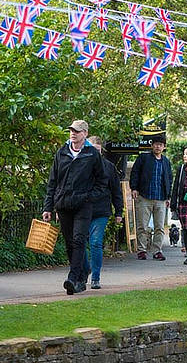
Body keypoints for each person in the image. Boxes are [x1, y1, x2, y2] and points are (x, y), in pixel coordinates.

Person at [42, 120, 107, 295]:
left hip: (83, 205)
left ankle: (72, 277)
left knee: (79, 240)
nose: (73, 134)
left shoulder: (92, 154)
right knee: (70, 242)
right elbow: (52, 181)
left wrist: (88, 197)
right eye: (71, 131)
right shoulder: (61, 153)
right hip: (63, 204)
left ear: (85, 133)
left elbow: (102, 181)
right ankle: (81, 274)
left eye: (77, 131)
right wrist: (48, 207)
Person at [82, 136, 123, 290]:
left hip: (101, 211)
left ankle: (96, 277)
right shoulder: (81, 165)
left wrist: (118, 211)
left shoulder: (108, 167)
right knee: (80, 243)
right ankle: (86, 269)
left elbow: (116, 190)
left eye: (98, 150)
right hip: (83, 210)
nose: (95, 153)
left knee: (95, 243)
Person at [130, 134, 173, 261]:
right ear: (152, 145)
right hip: (144, 196)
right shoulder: (143, 158)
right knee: (142, 226)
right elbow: (135, 173)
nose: (158, 147)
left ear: (164, 147)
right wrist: (134, 188)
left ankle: (157, 251)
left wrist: (168, 196)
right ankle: (142, 250)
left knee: (159, 227)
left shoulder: (166, 161)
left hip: (161, 198)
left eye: (160, 145)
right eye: (156, 144)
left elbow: (169, 179)